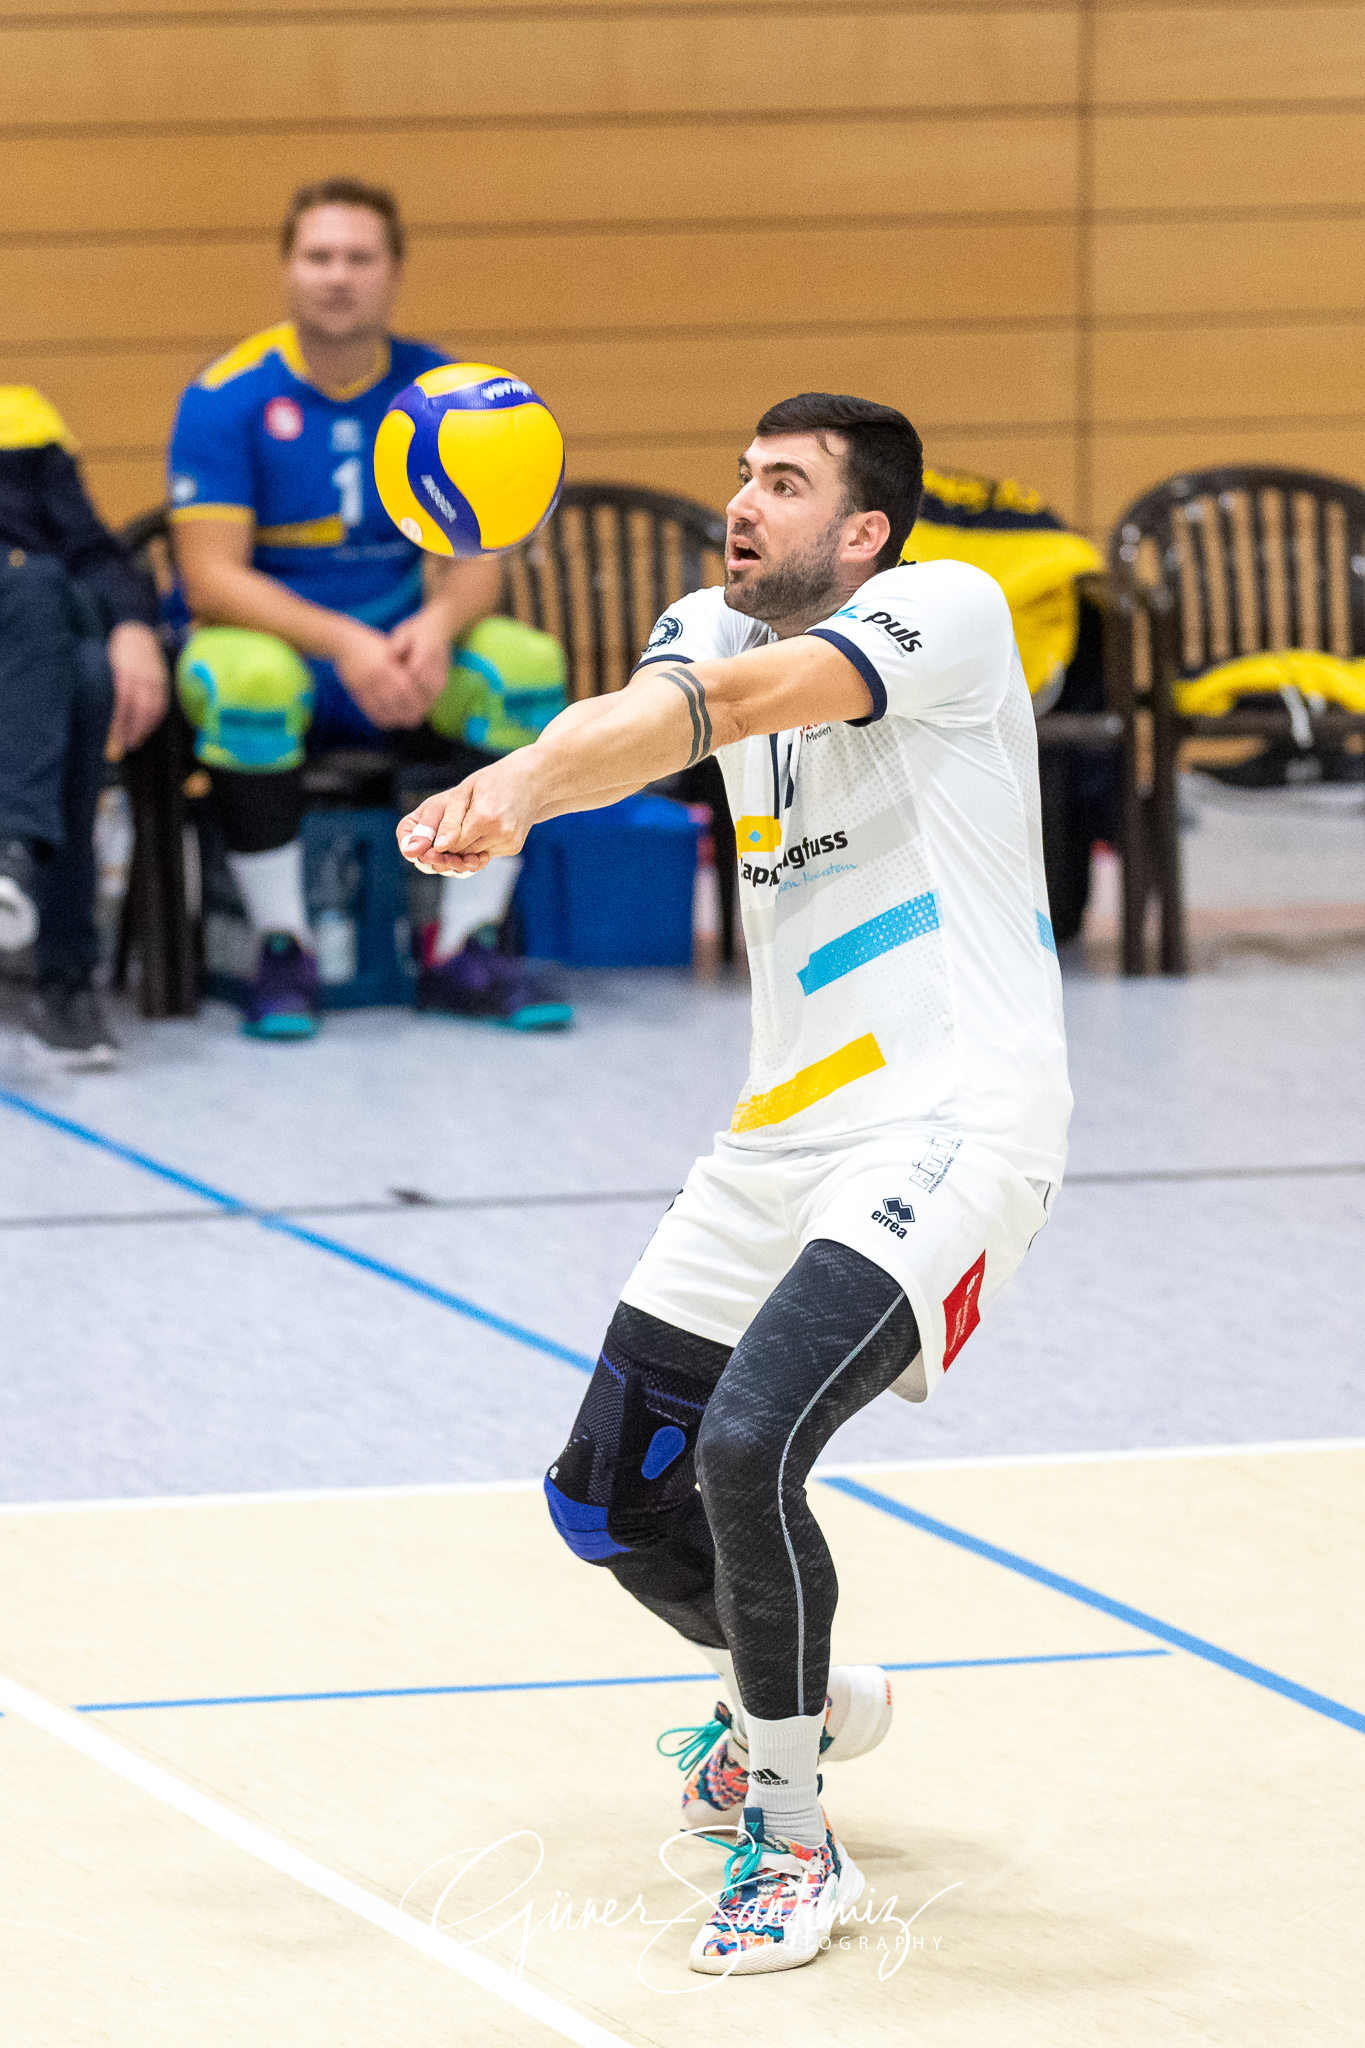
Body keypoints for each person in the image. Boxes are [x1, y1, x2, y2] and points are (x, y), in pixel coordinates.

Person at [398, 392, 1073, 1975]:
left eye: (784, 483)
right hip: (780, 1131)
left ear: (865, 533)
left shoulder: (945, 613)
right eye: (742, 475)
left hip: (954, 1118)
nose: (741, 502)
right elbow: (649, 719)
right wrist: (518, 782)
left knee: (750, 1444)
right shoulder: (698, 616)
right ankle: (808, 1694)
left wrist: (531, 773)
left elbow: (754, 696)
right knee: (605, 1498)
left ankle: (786, 1830)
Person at [167, 177, 570, 1039]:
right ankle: (283, 948)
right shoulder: (225, 395)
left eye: (359, 257)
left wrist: (435, 627)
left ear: (393, 272)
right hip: (283, 647)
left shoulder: (449, 393)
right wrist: (346, 641)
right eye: (318, 256)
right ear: (287, 269)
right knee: (249, 680)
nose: (337, 276)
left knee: (525, 667)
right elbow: (209, 579)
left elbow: (475, 560)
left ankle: (467, 946)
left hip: (403, 652)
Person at [0, 385, 169, 1067]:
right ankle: (63, 974)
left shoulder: (23, 420)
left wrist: (132, 626)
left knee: (91, 673)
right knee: (38, 590)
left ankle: (62, 976)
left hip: (29, 651)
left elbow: (93, 548)